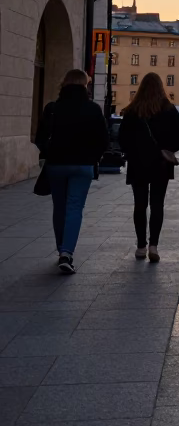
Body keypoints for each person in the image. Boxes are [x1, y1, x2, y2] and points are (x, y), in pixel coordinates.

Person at [33, 69, 108, 275]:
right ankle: (67, 253)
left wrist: (50, 152)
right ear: (85, 85)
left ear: (64, 84)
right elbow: (103, 139)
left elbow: (40, 137)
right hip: (82, 166)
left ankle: (61, 250)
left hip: (57, 165)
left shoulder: (53, 108)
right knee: (75, 207)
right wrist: (93, 156)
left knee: (60, 207)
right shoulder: (92, 109)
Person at [117, 73, 179, 262]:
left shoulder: (133, 110)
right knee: (157, 205)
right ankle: (154, 245)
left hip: (138, 163)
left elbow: (122, 138)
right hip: (160, 164)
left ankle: (141, 246)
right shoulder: (169, 109)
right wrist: (168, 148)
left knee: (140, 205)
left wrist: (133, 151)